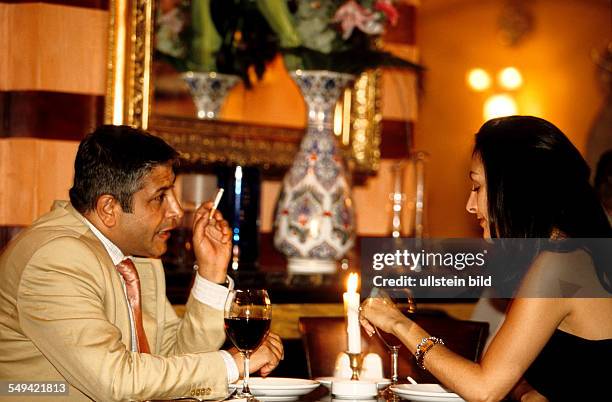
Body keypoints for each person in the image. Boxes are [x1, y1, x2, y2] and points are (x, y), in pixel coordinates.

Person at [0, 125, 283, 401]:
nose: (176, 211)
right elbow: (115, 380)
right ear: (109, 208)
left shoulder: (137, 256)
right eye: (160, 197)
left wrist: (210, 273)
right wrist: (230, 365)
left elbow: (171, 358)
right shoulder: (55, 259)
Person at [360, 116, 612, 401]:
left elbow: (484, 389)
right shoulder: (577, 255)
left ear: (515, 190)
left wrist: (398, 324)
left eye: (477, 187)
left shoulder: (560, 263)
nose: (470, 205)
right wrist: (529, 392)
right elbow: (523, 374)